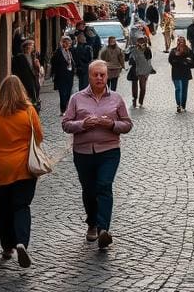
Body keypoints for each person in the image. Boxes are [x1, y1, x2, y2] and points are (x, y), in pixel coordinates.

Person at [62, 61, 133, 249]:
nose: (100, 78)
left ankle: (103, 230)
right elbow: (66, 124)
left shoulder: (116, 99)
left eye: (102, 75)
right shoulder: (76, 99)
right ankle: (92, 224)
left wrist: (111, 125)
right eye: (96, 75)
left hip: (109, 151)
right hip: (83, 152)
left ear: (107, 76)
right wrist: (82, 125)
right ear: (90, 76)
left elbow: (127, 124)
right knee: (89, 190)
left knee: (104, 186)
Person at [0, 76, 43, 269]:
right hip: (24, 167)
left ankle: (7, 247)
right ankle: (21, 243)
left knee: (4, 207)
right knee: (22, 206)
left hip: (0, 169)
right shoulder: (29, 111)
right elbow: (39, 137)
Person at [168, 35, 194, 112]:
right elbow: (171, 61)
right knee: (178, 88)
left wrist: (185, 61)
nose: (180, 43)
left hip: (185, 73)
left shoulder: (188, 51)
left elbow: (193, 63)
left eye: (182, 42)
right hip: (176, 73)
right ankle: (178, 105)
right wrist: (182, 61)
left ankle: (183, 105)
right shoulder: (173, 51)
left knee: (184, 90)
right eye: (179, 41)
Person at [11, 40, 41, 110]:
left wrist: (38, 66)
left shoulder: (33, 57)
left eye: (32, 46)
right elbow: (15, 69)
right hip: (25, 80)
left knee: (35, 94)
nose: (31, 47)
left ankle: (34, 109)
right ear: (25, 47)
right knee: (28, 95)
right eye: (30, 45)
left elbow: (37, 70)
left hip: (34, 80)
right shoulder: (19, 57)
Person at [50, 36, 76, 114]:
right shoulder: (58, 52)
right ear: (62, 43)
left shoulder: (70, 51)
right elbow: (53, 62)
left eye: (69, 43)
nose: (67, 44)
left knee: (68, 92)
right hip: (61, 75)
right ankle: (63, 109)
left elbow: (72, 62)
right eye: (65, 42)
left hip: (69, 75)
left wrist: (73, 69)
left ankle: (67, 107)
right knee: (62, 93)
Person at [126, 35, 154, 108]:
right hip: (135, 69)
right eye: (139, 41)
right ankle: (134, 99)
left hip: (144, 69)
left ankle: (141, 102)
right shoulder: (133, 49)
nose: (141, 43)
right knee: (134, 85)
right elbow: (128, 58)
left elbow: (149, 59)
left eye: (142, 41)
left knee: (143, 87)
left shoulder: (147, 49)